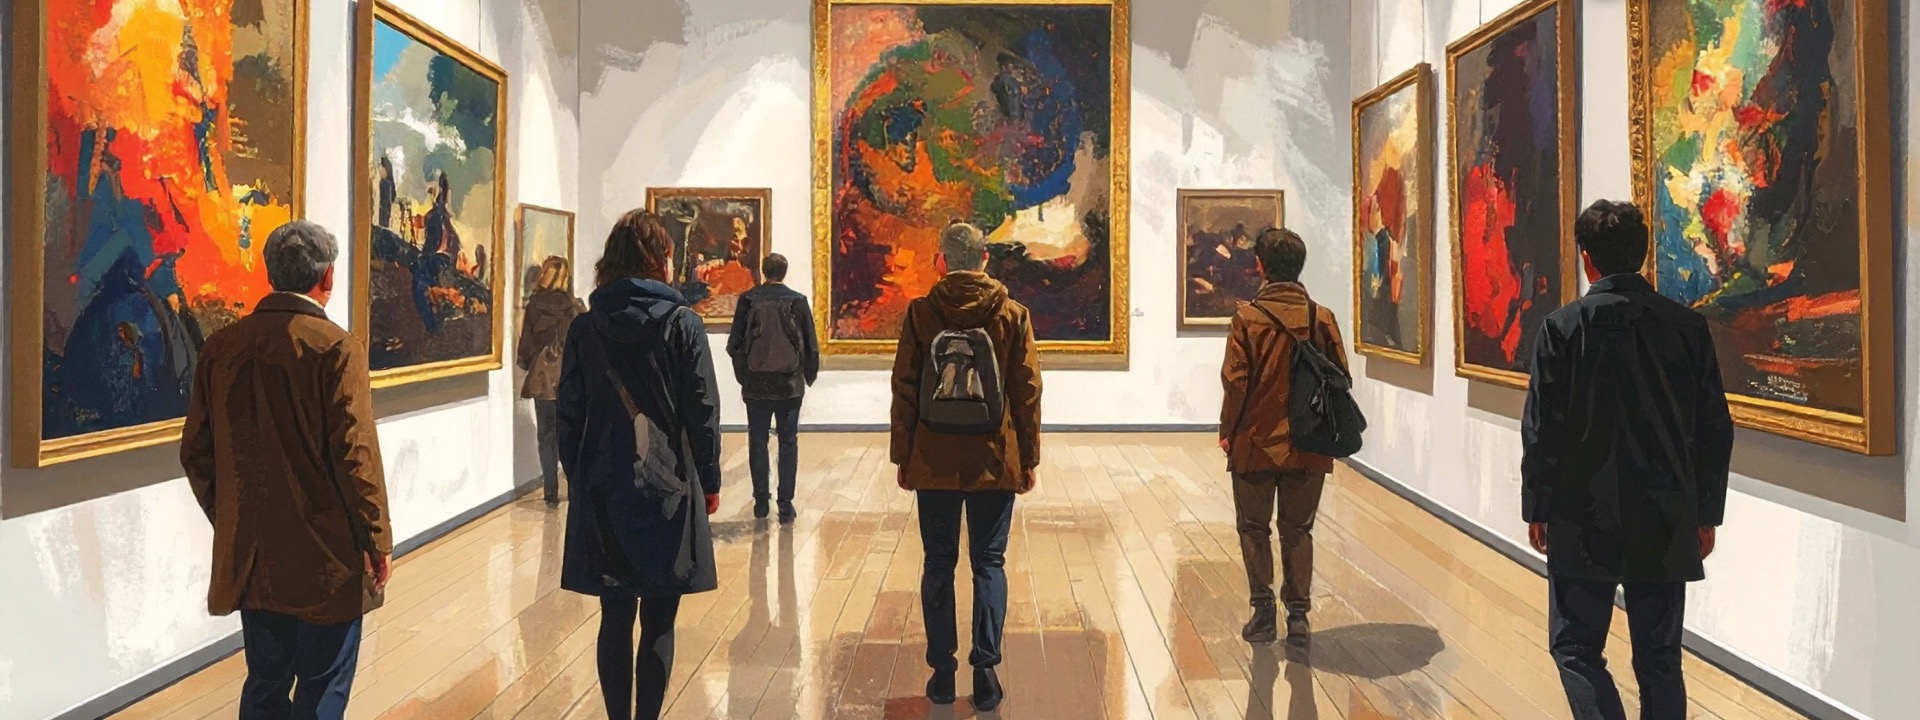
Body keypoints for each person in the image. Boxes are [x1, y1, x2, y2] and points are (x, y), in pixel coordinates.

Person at [1522, 200, 1734, 720]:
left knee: (1576, 647)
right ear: (1641, 254)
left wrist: (1538, 507)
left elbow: (1543, 430)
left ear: (1587, 258)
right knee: (1660, 658)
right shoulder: (1686, 327)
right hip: (1664, 514)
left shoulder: (1563, 328)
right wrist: (1706, 513)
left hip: (1580, 514)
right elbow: (1713, 429)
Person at [180, 220, 392, 720]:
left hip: (253, 556)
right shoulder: (335, 348)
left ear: (271, 273)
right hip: (325, 556)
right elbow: (355, 456)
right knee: (322, 687)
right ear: (328, 276)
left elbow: (196, 453)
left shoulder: (221, 346)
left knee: (265, 682)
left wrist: (232, 514)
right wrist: (376, 538)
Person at [557, 209, 724, 720]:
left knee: (614, 616)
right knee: (659, 619)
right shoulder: (682, 324)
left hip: (605, 485)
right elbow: (702, 409)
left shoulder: (585, 327)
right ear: (659, 260)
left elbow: (569, 413)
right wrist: (709, 479)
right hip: (667, 485)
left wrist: (579, 477)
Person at [890, 221, 1042, 712]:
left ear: (942, 261)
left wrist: (903, 455)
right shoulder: (1012, 314)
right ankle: (986, 672)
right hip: (993, 458)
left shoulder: (920, 313)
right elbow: (1027, 392)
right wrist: (1029, 458)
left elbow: (904, 387)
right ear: (984, 259)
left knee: (938, 563)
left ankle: (941, 673)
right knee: (989, 563)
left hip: (932, 457)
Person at [1219, 227, 1349, 647]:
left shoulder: (1247, 319)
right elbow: (1341, 378)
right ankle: (1298, 619)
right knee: (1298, 530)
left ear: (1261, 266)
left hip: (1255, 442)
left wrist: (1228, 431)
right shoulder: (1320, 318)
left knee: (1253, 527)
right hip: (1309, 444)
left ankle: (1262, 613)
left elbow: (1235, 383)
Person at [726, 253, 820, 522]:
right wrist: (807, 377)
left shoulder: (748, 300)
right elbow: (811, 345)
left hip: (756, 385)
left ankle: (760, 501)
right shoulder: (797, 301)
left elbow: (734, 345)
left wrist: (745, 378)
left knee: (757, 441)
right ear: (785, 272)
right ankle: (786, 504)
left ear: (763, 270)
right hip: (789, 385)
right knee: (788, 442)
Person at [517, 255, 586, 507]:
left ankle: (550, 492)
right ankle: (575, 487)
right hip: (571, 378)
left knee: (546, 436)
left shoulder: (534, 305)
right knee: (572, 433)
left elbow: (526, 346)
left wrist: (532, 363)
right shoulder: (575, 307)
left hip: (543, 377)